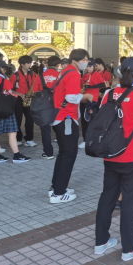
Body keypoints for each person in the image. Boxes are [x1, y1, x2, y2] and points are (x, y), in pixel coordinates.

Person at [94, 57, 133, 262]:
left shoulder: (109, 94)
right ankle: (130, 248)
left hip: (110, 154)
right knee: (130, 200)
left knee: (108, 196)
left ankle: (101, 242)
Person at [50, 49, 94, 203]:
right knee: (69, 154)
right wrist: (87, 96)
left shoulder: (65, 71)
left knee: (63, 154)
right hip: (67, 118)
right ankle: (59, 194)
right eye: (85, 59)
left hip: (59, 117)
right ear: (76, 60)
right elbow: (71, 97)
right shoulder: (74, 73)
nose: (86, 62)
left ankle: (56, 187)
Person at [0, 60, 31, 165]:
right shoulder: (3, 80)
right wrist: (17, 96)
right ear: (1, 69)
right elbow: (10, 92)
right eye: (5, 68)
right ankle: (16, 155)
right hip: (5, 108)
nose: (5, 70)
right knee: (12, 132)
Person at [32, 55, 62, 159]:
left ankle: (48, 153)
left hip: (44, 106)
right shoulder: (60, 75)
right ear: (58, 65)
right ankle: (63, 152)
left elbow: (35, 91)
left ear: (47, 64)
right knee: (59, 130)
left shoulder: (40, 76)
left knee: (45, 130)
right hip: (57, 105)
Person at [10, 55, 36, 147]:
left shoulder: (32, 74)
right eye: (28, 63)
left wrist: (33, 93)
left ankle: (29, 139)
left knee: (30, 120)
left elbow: (35, 85)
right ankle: (18, 138)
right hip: (18, 100)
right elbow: (9, 90)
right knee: (18, 119)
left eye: (30, 63)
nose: (30, 65)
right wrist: (20, 94)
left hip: (29, 99)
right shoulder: (15, 76)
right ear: (22, 64)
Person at [79, 59, 105, 149]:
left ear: (93, 66)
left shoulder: (96, 74)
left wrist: (90, 86)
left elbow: (102, 84)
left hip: (92, 101)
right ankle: (86, 139)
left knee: (90, 121)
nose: (88, 68)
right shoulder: (84, 75)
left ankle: (91, 140)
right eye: (87, 66)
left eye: (90, 66)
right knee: (84, 120)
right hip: (84, 99)